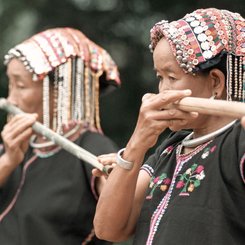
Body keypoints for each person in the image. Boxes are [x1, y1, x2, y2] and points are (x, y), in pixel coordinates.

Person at [93, 8, 245, 245]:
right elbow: (109, 229)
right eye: (159, 77)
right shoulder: (170, 149)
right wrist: (137, 145)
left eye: (172, 78)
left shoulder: (238, 141)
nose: (162, 91)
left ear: (215, 82)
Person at [0, 27, 121, 245]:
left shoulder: (94, 146)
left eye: (20, 86)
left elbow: (120, 220)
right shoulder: (13, 145)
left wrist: (122, 179)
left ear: (60, 90)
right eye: (10, 85)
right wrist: (7, 161)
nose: (10, 100)